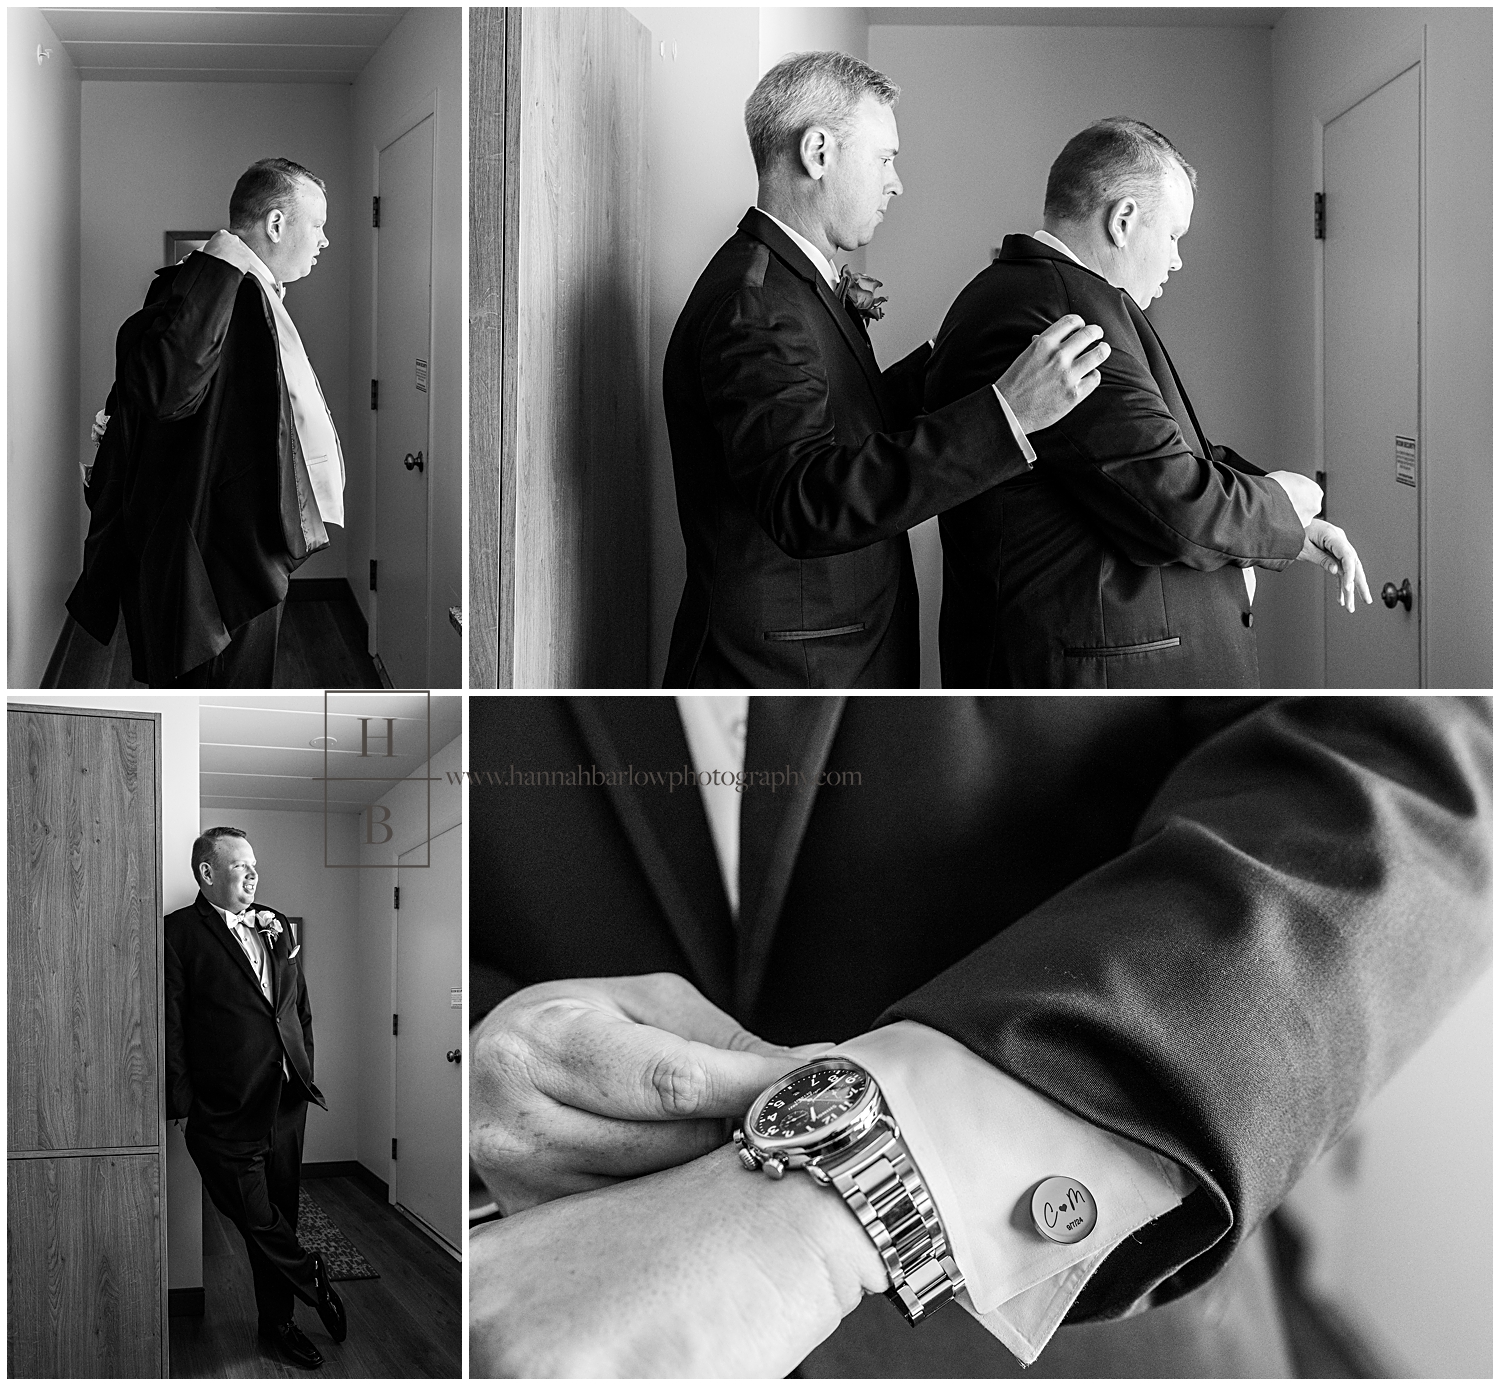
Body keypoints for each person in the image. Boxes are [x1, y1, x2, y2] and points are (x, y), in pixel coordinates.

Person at [466, 695, 1491, 1376]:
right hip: (546, 1296)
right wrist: (462, 1058)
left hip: (1079, 1325)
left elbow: (1412, 774)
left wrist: (842, 1188)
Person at [662, 52, 1112, 689]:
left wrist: (955, 353)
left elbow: (848, 427)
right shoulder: (754, 305)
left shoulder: (790, 283)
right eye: (884, 158)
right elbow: (806, 500)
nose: (896, 182)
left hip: (825, 667)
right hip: (780, 685)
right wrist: (1006, 416)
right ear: (818, 152)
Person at [925, 119, 1371, 688]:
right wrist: (1284, 500)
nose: (1178, 260)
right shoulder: (1066, 316)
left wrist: (1290, 529)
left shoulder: (1041, 295)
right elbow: (1172, 501)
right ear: (1124, 220)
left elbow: (1153, 453)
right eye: (1174, 235)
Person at [67, 158, 345, 687]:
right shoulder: (206, 282)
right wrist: (223, 259)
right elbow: (167, 390)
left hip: (248, 545)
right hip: (218, 562)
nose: (324, 240)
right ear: (277, 223)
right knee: (216, 697)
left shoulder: (256, 294)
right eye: (317, 225)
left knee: (239, 695)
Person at [164, 827, 348, 1369]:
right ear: (207, 873)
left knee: (279, 1215)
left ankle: (279, 1324)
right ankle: (312, 1275)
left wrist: (305, 1063)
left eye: (254, 865)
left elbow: (296, 1006)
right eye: (240, 865)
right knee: (253, 1213)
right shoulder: (179, 933)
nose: (252, 873)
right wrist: (182, 1103)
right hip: (223, 1107)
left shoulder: (276, 926)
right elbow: (171, 1023)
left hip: (286, 1100)